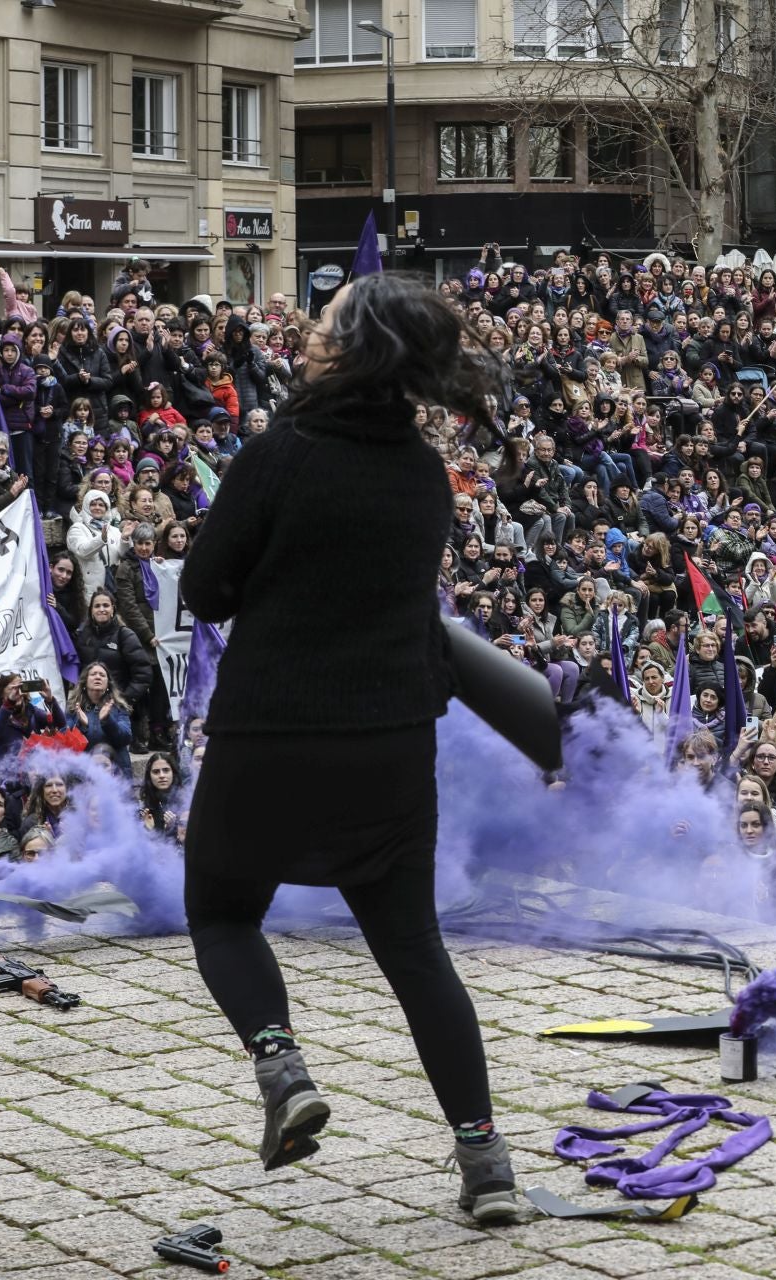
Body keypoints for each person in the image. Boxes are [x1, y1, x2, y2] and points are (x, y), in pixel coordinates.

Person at [178, 273, 525, 1222]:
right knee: (415, 952)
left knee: (221, 914)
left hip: (271, 730)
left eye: (324, 323)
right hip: (389, 742)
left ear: (353, 348)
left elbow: (204, 591)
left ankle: (281, 1065)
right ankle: (486, 1162)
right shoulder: (422, 474)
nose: (307, 330)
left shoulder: (278, 454)